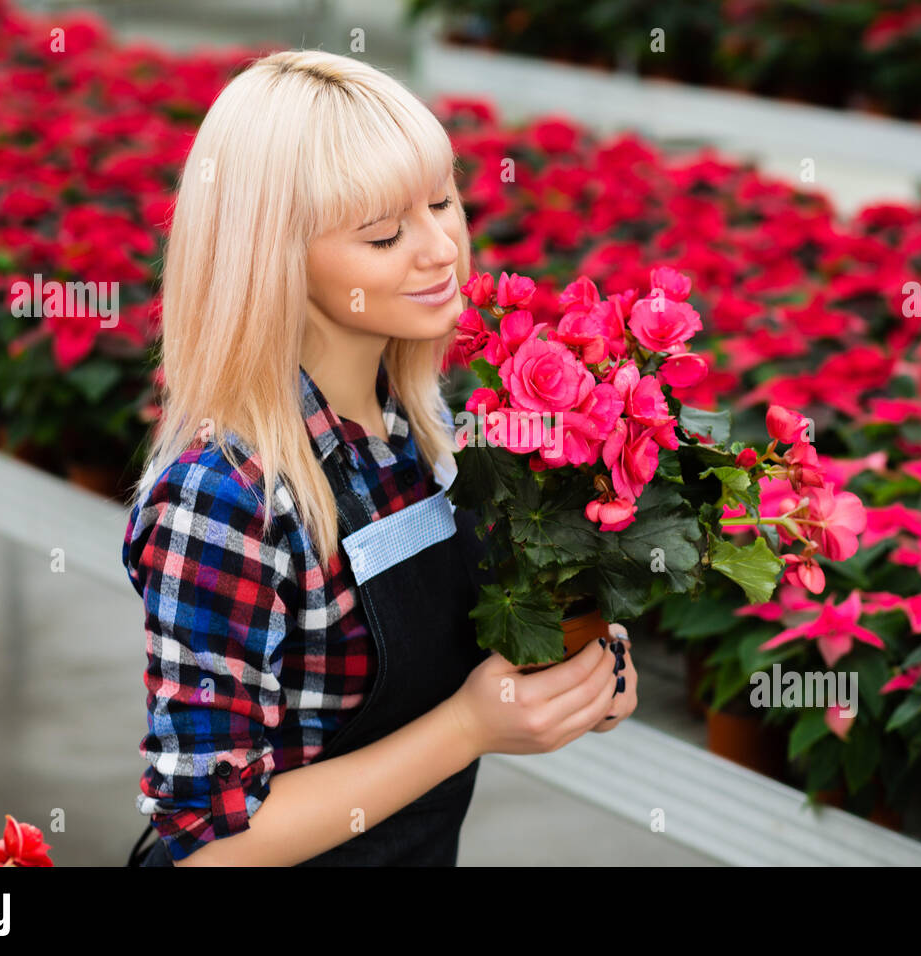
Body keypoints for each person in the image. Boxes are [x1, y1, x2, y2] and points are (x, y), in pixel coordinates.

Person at [120, 49, 637, 867]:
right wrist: (470, 727)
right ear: (276, 259)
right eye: (386, 234)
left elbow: (474, 650)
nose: (440, 249)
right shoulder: (227, 497)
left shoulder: (426, 431)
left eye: (443, 201)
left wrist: (572, 676)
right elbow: (209, 847)